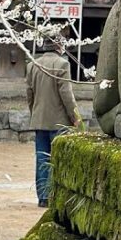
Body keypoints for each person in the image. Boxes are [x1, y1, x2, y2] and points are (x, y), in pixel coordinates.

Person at [26, 42, 82, 208]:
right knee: (58, 158)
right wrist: (74, 116)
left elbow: (29, 93)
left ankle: (43, 196)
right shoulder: (62, 64)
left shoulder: (32, 65)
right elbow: (66, 93)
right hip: (59, 120)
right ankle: (56, 194)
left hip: (39, 119)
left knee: (42, 158)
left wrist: (34, 112)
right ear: (58, 46)